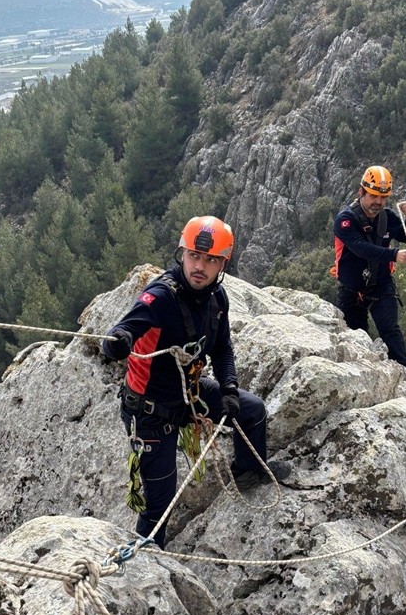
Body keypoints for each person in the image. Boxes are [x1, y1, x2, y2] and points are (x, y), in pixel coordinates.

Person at [102, 215, 281, 548]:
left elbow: (223, 348)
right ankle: (146, 556)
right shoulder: (161, 295)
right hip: (151, 412)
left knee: (252, 410)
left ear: (222, 264)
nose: (200, 266)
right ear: (182, 254)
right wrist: (118, 341)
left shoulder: (217, 299)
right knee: (161, 500)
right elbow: (126, 328)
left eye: (210, 260)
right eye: (194, 256)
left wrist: (228, 388)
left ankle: (247, 470)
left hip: (190, 395)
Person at [332, 165, 406, 376]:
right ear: (361, 192)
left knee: (390, 329)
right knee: (355, 338)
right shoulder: (345, 220)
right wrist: (393, 255)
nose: (378, 203)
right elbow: (360, 248)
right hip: (352, 290)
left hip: (381, 284)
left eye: (383, 198)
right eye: (373, 196)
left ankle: (405, 376)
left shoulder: (387, 217)